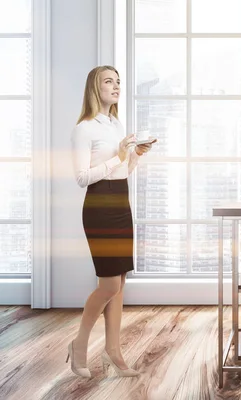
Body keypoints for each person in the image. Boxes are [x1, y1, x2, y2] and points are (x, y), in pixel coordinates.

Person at [67, 65, 155, 378]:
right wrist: (118, 156)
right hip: (99, 207)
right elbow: (81, 178)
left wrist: (133, 157)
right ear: (95, 87)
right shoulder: (85, 128)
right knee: (107, 284)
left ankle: (113, 352)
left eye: (117, 81)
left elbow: (121, 170)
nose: (115, 86)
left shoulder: (116, 124)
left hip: (121, 203)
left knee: (119, 285)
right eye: (109, 81)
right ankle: (79, 345)